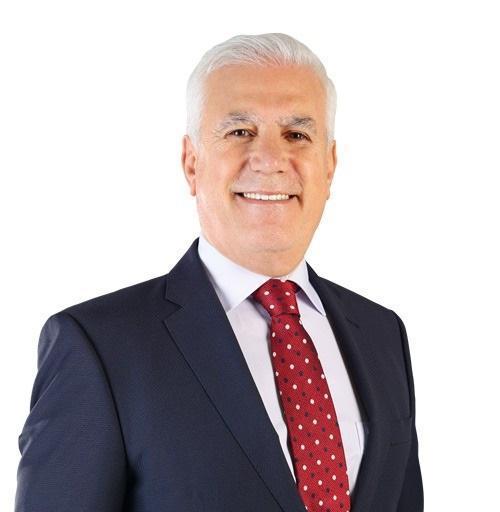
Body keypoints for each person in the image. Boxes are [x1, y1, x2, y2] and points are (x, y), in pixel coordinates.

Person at [14, 33, 424, 512]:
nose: (270, 160)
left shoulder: (382, 334)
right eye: (240, 132)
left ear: (329, 166)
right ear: (192, 163)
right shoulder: (99, 347)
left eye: (297, 135)